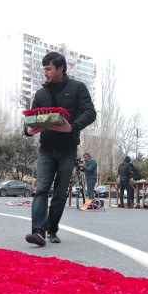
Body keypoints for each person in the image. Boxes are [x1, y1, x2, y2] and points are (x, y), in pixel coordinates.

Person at [24, 51, 96, 246]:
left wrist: (71, 127)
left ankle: (51, 229)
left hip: (68, 149)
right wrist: (29, 131)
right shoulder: (40, 94)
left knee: (60, 192)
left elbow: (90, 113)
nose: (45, 73)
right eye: (44, 69)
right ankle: (38, 232)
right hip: (46, 149)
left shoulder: (78, 88)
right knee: (41, 190)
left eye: (48, 69)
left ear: (60, 68)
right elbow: (28, 121)